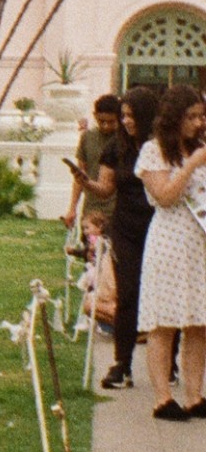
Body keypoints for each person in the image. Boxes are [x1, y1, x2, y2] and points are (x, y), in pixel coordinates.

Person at [137, 81, 206, 420]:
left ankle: (194, 394)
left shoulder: (202, 148)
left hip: (199, 243)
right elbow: (164, 196)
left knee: (199, 322)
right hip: (168, 240)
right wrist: (192, 165)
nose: (198, 123)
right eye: (191, 117)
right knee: (164, 321)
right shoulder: (153, 151)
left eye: (201, 116)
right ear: (175, 118)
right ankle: (162, 398)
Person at [89, 83, 156, 387]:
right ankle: (122, 363)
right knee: (127, 294)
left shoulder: (160, 146)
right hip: (126, 228)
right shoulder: (116, 147)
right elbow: (105, 188)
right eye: (123, 115)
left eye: (131, 115)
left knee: (159, 294)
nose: (126, 121)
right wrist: (87, 184)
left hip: (158, 228)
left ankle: (169, 360)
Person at [67, 91, 122, 230]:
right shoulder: (87, 138)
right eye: (102, 121)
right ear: (95, 116)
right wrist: (72, 208)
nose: (106, 126)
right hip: (91, 209)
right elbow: (80, 176)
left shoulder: (124, 140)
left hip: (117, 209)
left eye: (111, 122)